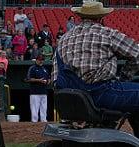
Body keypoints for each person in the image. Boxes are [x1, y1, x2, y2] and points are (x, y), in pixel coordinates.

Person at [52, 1, 139, 138]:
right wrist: (125, 77)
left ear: (80, 17)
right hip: (100, 94)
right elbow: (137, 54)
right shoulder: (107, 34)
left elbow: (56, 77)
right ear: (101, 18)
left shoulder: (63, 39)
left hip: (69, 98)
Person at [26, 55, 50, 122]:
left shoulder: (45, 69)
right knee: (34, 108)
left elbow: (48, 78)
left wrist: (48, 81)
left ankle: (43, 120)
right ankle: (34, 121)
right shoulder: (32, 68)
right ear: (36, 60)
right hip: (35, 92)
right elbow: (28, 79)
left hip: (44, 91)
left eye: (42, 60)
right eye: (39, 60)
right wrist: (39, 80)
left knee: (44, 108)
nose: (41, 61)